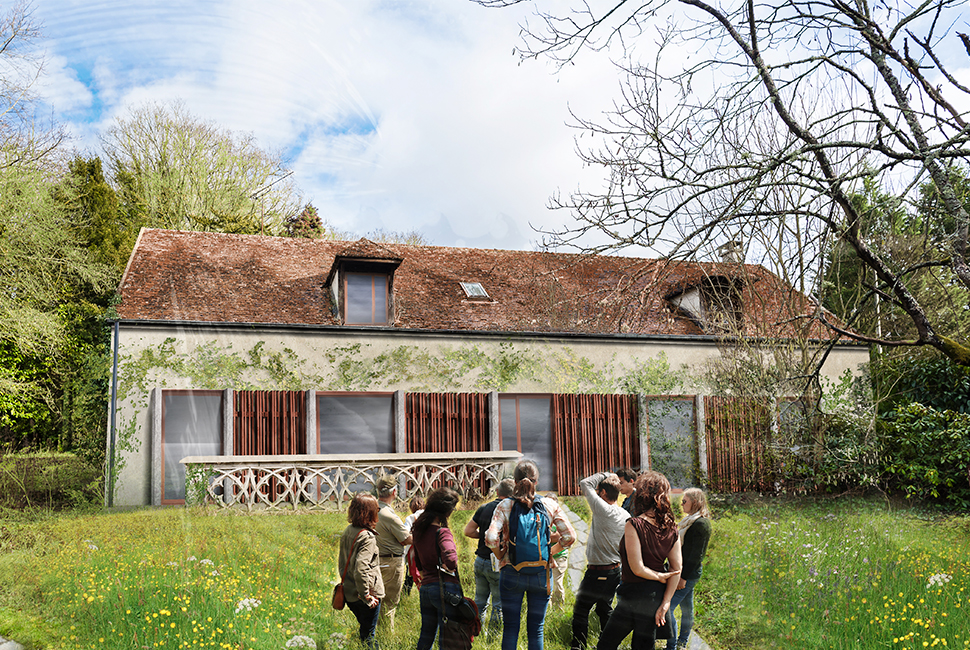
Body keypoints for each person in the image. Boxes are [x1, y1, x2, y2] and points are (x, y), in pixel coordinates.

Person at [485, 459, 576, 650]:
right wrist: (550, 552)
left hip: (511, 572)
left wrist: (500, 554)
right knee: (536, 629)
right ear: (537, 481)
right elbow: (570, 536)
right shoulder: (550, 504)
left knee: (510, 628)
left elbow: (491, 537)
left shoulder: (504, 505)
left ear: (515, 481)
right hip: (541, 574)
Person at [596, 471, 682, 650]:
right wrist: (665, 602)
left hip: (633, 595)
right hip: (655, 597)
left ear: (643, 494)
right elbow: (676, 568)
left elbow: (637, 568)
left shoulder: (634, 524)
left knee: (605, 645)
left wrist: (659, 576)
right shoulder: (672, 527)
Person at [570, 471, 630, 650]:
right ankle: (609, 645)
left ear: (603, 493)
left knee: (581, 610)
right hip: (614, 571)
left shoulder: (603, 509)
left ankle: (578, 646)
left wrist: (607, 473)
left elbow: (584, 483)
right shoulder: (624, 514)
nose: (595, 494)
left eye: (598, 491)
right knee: (604, 609)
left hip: (598, 571)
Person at [411, 486, 463, 650]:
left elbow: (418, 563)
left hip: (426, 588)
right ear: (446, 511)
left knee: (426, 636)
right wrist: (445, 564)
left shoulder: (419, 531)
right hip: (445, 589)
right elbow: (452, 560)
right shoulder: (442, 532)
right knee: (447, 638)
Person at [464, 477, 514, 634]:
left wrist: (485, 538)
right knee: (499, 603)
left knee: (479, 601)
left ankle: (476, 633)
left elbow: (468, 531)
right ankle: (493, 637)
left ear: (497, 492)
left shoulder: (484, 507)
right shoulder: (510, 510)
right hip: (498, 561)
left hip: (480, 561)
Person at [666, 488, 712, 650]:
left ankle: (672, 646)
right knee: (687, 608)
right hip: (683, 571)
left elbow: (696, 555)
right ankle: (682, 643)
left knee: (668, 608)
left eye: (685, 501)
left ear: (695, 502)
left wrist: (683, 577)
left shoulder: (700, 524)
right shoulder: (690, 520)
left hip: (687, 573)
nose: (682, 504)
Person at [339, 493, 385, 649]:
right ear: (371, 512)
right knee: (368, 637)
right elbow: (361, 568)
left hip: (350, 592)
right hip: (365, 594)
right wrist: (366, 595)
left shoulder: (348, 530)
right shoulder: (366, 537)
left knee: (365, 632)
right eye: (376, 509)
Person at [374, 474, 412, 631]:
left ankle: (372, 636)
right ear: (394, 492)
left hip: (375, 560)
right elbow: (407, 539)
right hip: (391, 562)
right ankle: (387, 640)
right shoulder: (389, 515)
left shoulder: (372, 508)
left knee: (376, 602)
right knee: (389, 605)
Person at [404, 495, 425, 596]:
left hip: (414, 549)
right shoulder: (430, 516)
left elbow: (405, 533)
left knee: (411, 573)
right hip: (428, 548)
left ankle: (405, 594)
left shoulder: (411, 518)